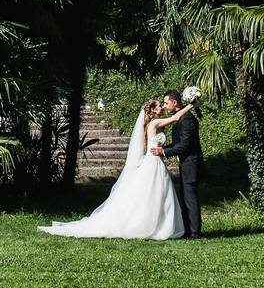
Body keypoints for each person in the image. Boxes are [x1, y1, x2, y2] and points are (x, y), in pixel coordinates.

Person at [37, 98, 195, 239]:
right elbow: (175, 118)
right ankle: (151, 226)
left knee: (156, 195)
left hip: (155, 162)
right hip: (153, 163)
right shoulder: (154, 123)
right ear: (153, 110)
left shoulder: (154, 123)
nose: (162, 107)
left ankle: (159, 224)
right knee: (154, 194)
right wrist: (191, 105)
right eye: (160, 106)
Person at [150, 89, 204, 239]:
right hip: (185, 165)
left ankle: (194, 233)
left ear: (174, 103)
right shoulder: (180, 118)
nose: (166, 106)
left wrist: (163, 152)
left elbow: (184, 146)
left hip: (191, 165)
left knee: (191, 199)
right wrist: (163, 149)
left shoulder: (187, 120)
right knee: (186, 198)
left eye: (166, 103)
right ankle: (187, 230)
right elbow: (177, 143)